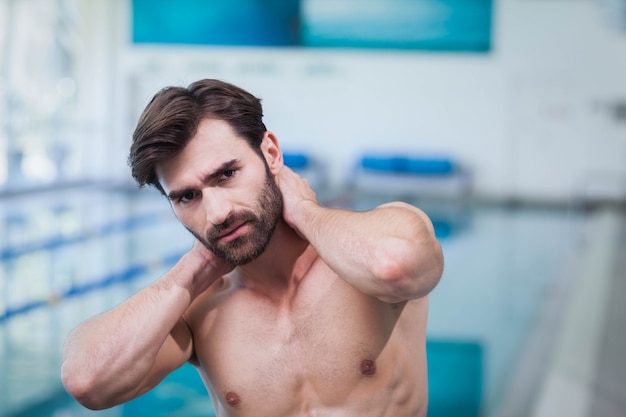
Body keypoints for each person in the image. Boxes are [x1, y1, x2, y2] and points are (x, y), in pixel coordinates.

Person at [61, 79, 444, 417]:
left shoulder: (378, 238)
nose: (217, 213)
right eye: (187, 197)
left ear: (271, 154)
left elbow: (398, 267)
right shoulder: (198, 311)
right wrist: (193, 270)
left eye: (226, 174)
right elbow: (87, 381)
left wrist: (306, 212)